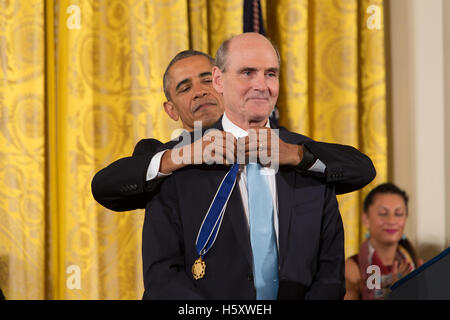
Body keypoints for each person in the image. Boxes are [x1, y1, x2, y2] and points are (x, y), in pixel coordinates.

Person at [142, 33, 350, 299]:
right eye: (248, 73)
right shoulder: (180, 160)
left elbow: (331, 274)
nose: (261, 85)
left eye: (271, 74)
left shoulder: (305, 156)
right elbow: (163, 277)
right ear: (219, 80)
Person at [91, 50, 376, 212]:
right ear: (172, 110)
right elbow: (104, 188)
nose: (200, 92)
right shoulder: (160, 158)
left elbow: (361, 170)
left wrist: (296, 154)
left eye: (206, 81)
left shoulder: (280, 144)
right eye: (185, 88)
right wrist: (181, 157)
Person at [344, 182, 423, 300]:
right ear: (366, 219)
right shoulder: (353, 268)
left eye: (398, 214)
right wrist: (394, 292)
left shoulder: (415, 264)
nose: (391, 221)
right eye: (383, 213)